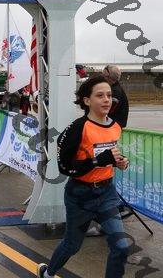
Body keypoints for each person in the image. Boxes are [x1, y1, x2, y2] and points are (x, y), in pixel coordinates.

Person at [37, 74, 130, 278]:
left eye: (109, 95)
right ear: (87, 101)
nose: (106, 100)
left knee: (121, 247)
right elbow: (65, 167)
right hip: (80, 196)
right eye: (100, 95)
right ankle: (48, 272)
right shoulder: (77, 128)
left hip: (106, 193)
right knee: (72, 245)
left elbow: (109, 154)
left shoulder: (115, 126)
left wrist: (121, 161)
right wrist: (98, 161)